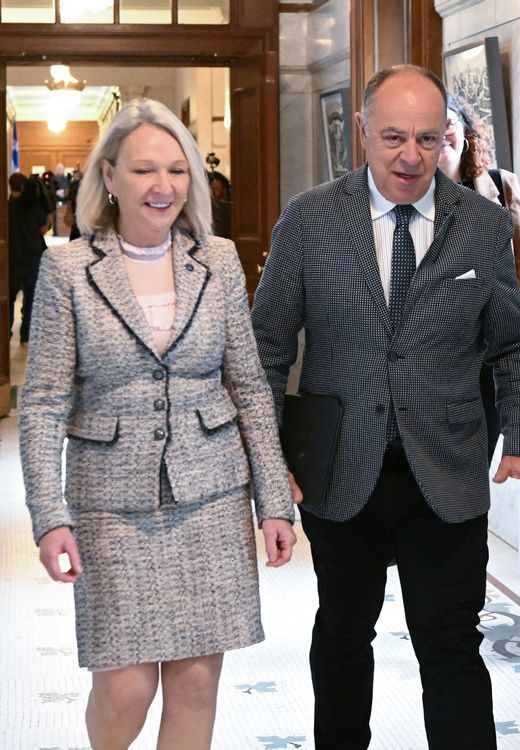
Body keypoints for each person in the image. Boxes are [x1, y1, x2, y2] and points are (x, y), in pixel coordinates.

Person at [251, 64, 520, 749]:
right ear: (361, 132)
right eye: (392, 137)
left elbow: (513, 344)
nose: (410, 156)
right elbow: (264, 350)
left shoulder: (480, 224)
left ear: (445, 136)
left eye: (425, 138)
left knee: (450, 646)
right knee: (343, 634)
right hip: (339, 472)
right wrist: (269, 471)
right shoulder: (309, 218)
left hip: (444, 475)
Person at [19, 98, 297, 750]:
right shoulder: (68, 270)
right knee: (126, 687)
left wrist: (274, 503)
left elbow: (250, 387)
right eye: (145, 170)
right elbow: (42, 403)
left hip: (213, 496)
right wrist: (49, 515)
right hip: (111, 505)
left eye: (177, 170)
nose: (163, 186)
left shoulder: (220, 260)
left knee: (198, 681)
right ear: (109, 176)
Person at [437, 92, 520, 455]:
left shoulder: (499, 186)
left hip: (489, 350)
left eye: (448, 124)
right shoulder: (406, 194)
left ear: (465, 130)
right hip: (434, 351)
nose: (440, 136)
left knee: (475, 457)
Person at [7, 172, 49, 343]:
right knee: (31, 297)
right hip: (33, 256)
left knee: (8, 298)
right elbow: (44, 228)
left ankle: (6, 333)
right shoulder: (34, 205)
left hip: (13, 257)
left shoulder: (7, 206)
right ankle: (26, 334)